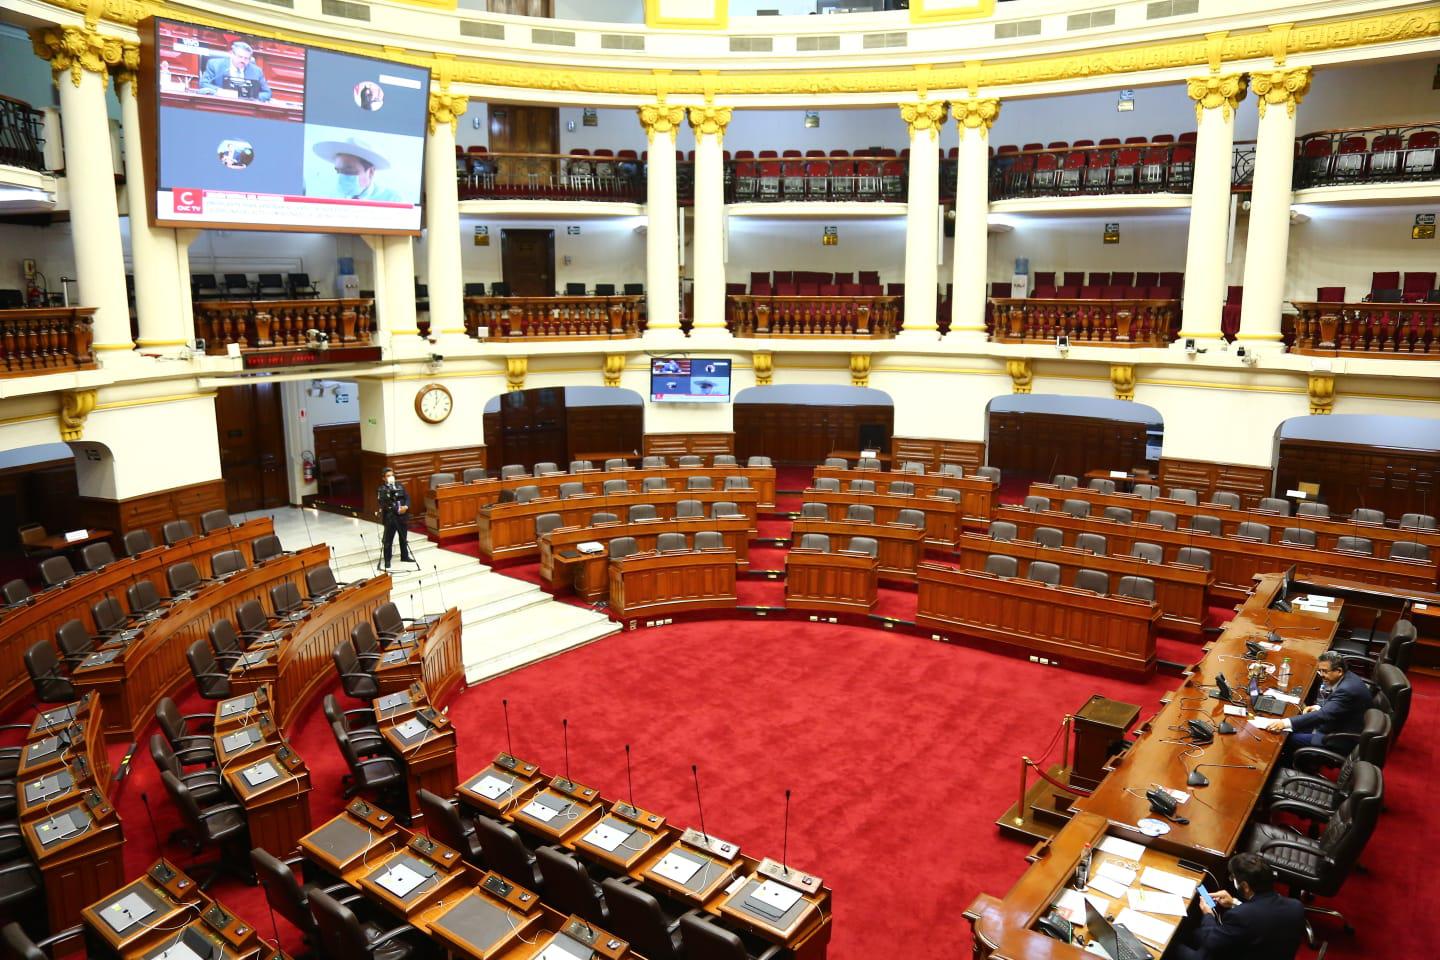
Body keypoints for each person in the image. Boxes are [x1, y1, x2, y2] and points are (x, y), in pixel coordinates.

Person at [1170, 853, 1304, 960]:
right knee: (1195, 933)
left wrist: (1208, 914)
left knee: (1172, 946)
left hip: (1238, 953)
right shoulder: (1296, 906)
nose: (1231, 879)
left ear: (1245, 886)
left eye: (1232, 877)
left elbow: (1211, 942)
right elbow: (1260, 918)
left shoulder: (1241, 916)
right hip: (1265, 951)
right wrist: (1234, 903)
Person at [1259, 649, 1370, 750]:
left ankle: (1296, 766)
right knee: (1295, 724)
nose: (1321, 675)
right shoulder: (1346, 678)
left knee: (1285, 738)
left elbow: (1324, 715)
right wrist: (1318, 707)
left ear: (1339, 671)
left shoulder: (1347, 690)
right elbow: (1337, 704)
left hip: (1339, 737)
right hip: (1337, 723)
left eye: (1325, 671)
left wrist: (1284, 723)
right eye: (1320, 671)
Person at [310, 137, 401, 202]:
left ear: (371, 172)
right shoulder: (329, 198)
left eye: (349, 171)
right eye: (338, 171)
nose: (341, 177)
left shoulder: (392, 199)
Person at [199, 41, 273, 101]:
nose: (242, 61)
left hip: (246, 107)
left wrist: (250, 95)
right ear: (232, 54)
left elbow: (267, 93)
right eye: (240, 57)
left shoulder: (257, 71)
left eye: (246, 58)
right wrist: (220, 92)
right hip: (220, 103)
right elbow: (204, 83)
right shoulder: (215, 65)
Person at [376, 467, 413, 569]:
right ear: (383, 478)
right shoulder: (381, 489)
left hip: (402, 517)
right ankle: (387, 560)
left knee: (403, 538)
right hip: (390, 518)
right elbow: (383, 503)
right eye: (388, 476)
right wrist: (397, 508)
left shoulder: (400, 485)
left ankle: (404, 556)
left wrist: (406, 506)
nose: (391, 477)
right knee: (388, 540)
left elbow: (407, 497)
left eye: (392, 475)